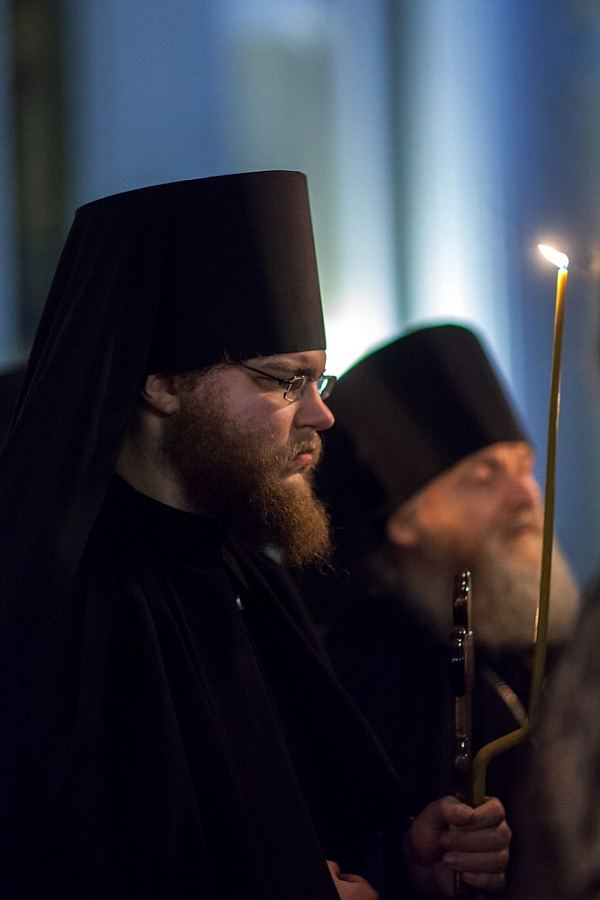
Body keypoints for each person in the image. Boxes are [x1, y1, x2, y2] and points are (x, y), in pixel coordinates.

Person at [0, 174, 510, 899]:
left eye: (318, 383)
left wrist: (406, 861)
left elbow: (319, 828)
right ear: (162, 383)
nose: (321, 417)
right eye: (282, 382)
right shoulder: (62, 605)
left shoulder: (251, 580)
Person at [298, 324, 578, 892]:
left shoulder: (548, 647)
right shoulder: (361, 672)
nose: (526, 495)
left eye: (524, 467)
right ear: (405, 521)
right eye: (485, 477)